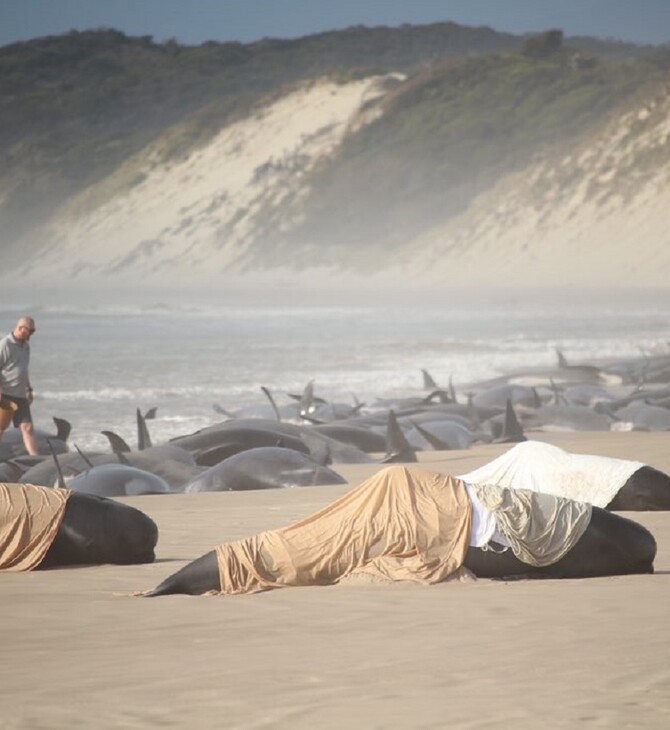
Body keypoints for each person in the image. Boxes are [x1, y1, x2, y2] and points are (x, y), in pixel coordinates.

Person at [0, 316, 38, 455]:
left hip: (20, 395)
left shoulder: (25, 346)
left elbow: (23, 369)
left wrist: (28, 388)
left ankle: (35, 459)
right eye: (31, 331)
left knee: (27, 428)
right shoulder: (5, 344)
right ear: (21, 328)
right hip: (5, 395)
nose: (31, 334)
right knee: (1, 429)